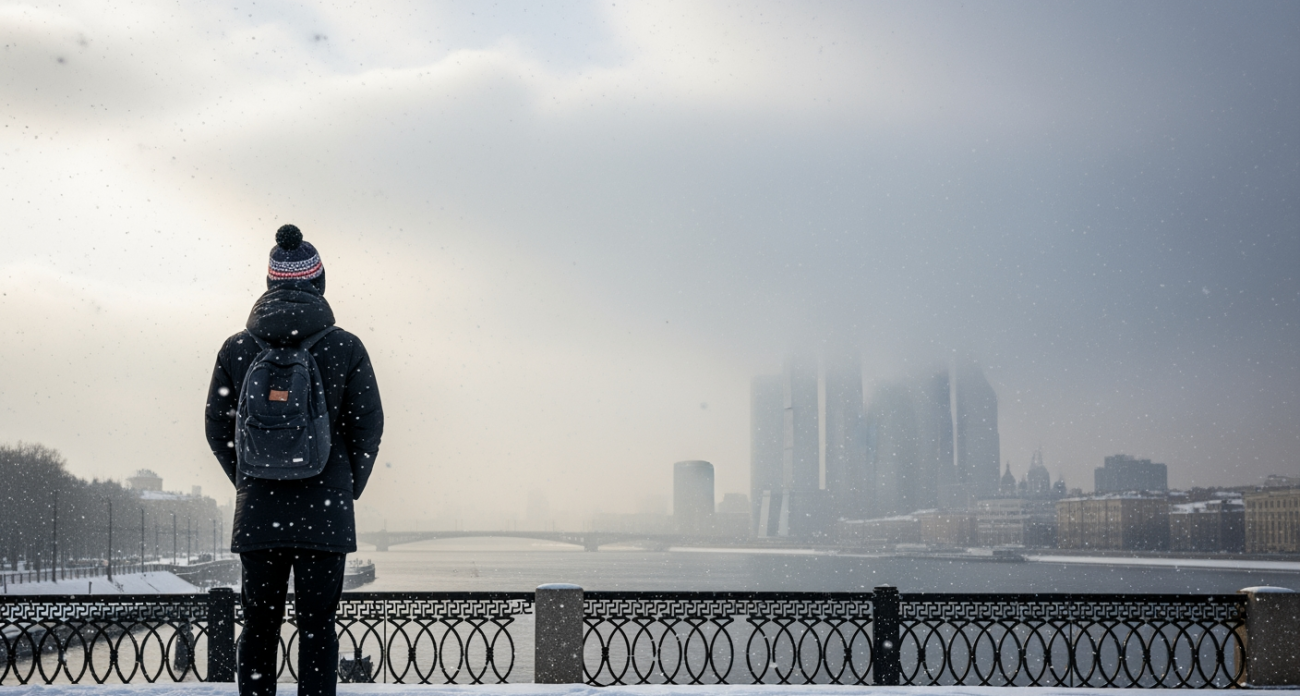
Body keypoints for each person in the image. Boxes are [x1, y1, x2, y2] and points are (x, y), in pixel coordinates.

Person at [205, 225, 383, 696]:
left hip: (259, 514)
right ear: (318, 282)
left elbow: (217, 428)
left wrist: (250, 478)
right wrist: (343, 484)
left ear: (270, 282)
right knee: (317, 626)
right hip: (324, 515)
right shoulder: (345, 347)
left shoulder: (237, 348)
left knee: (259, 626)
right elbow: (368, 427)